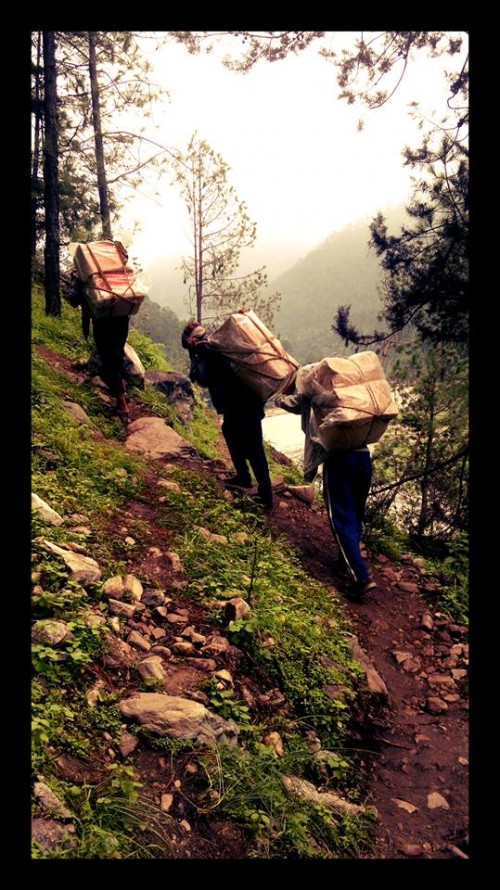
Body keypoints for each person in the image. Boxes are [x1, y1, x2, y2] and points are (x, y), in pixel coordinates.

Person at [275, 388, 376, 600]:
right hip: (363, 457)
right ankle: (345, 560)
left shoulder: (315, 392)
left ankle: (360, 576)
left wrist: (278, 396)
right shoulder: (349, 395)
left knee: (340, 518)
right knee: (355, 513)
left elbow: (290, 403)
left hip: (339, 461)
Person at [181, 320, 273, 510]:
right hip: (246, 403)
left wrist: (194, 356)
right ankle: (244, 477)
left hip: (239, 404)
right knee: (233, 434)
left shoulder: (207, 348)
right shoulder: (217, 343)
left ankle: (265, 495)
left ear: (191, 339)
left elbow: (202, 378)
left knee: (254, 447)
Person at [67, 270, 130, 421]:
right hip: (122, 321)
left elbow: (73, 300)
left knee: (109, 361)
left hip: (103, 323)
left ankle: (123, 406)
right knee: (117, 355)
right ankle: (123, 393)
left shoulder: (83, 273)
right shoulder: (115, 270)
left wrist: (75, 281)